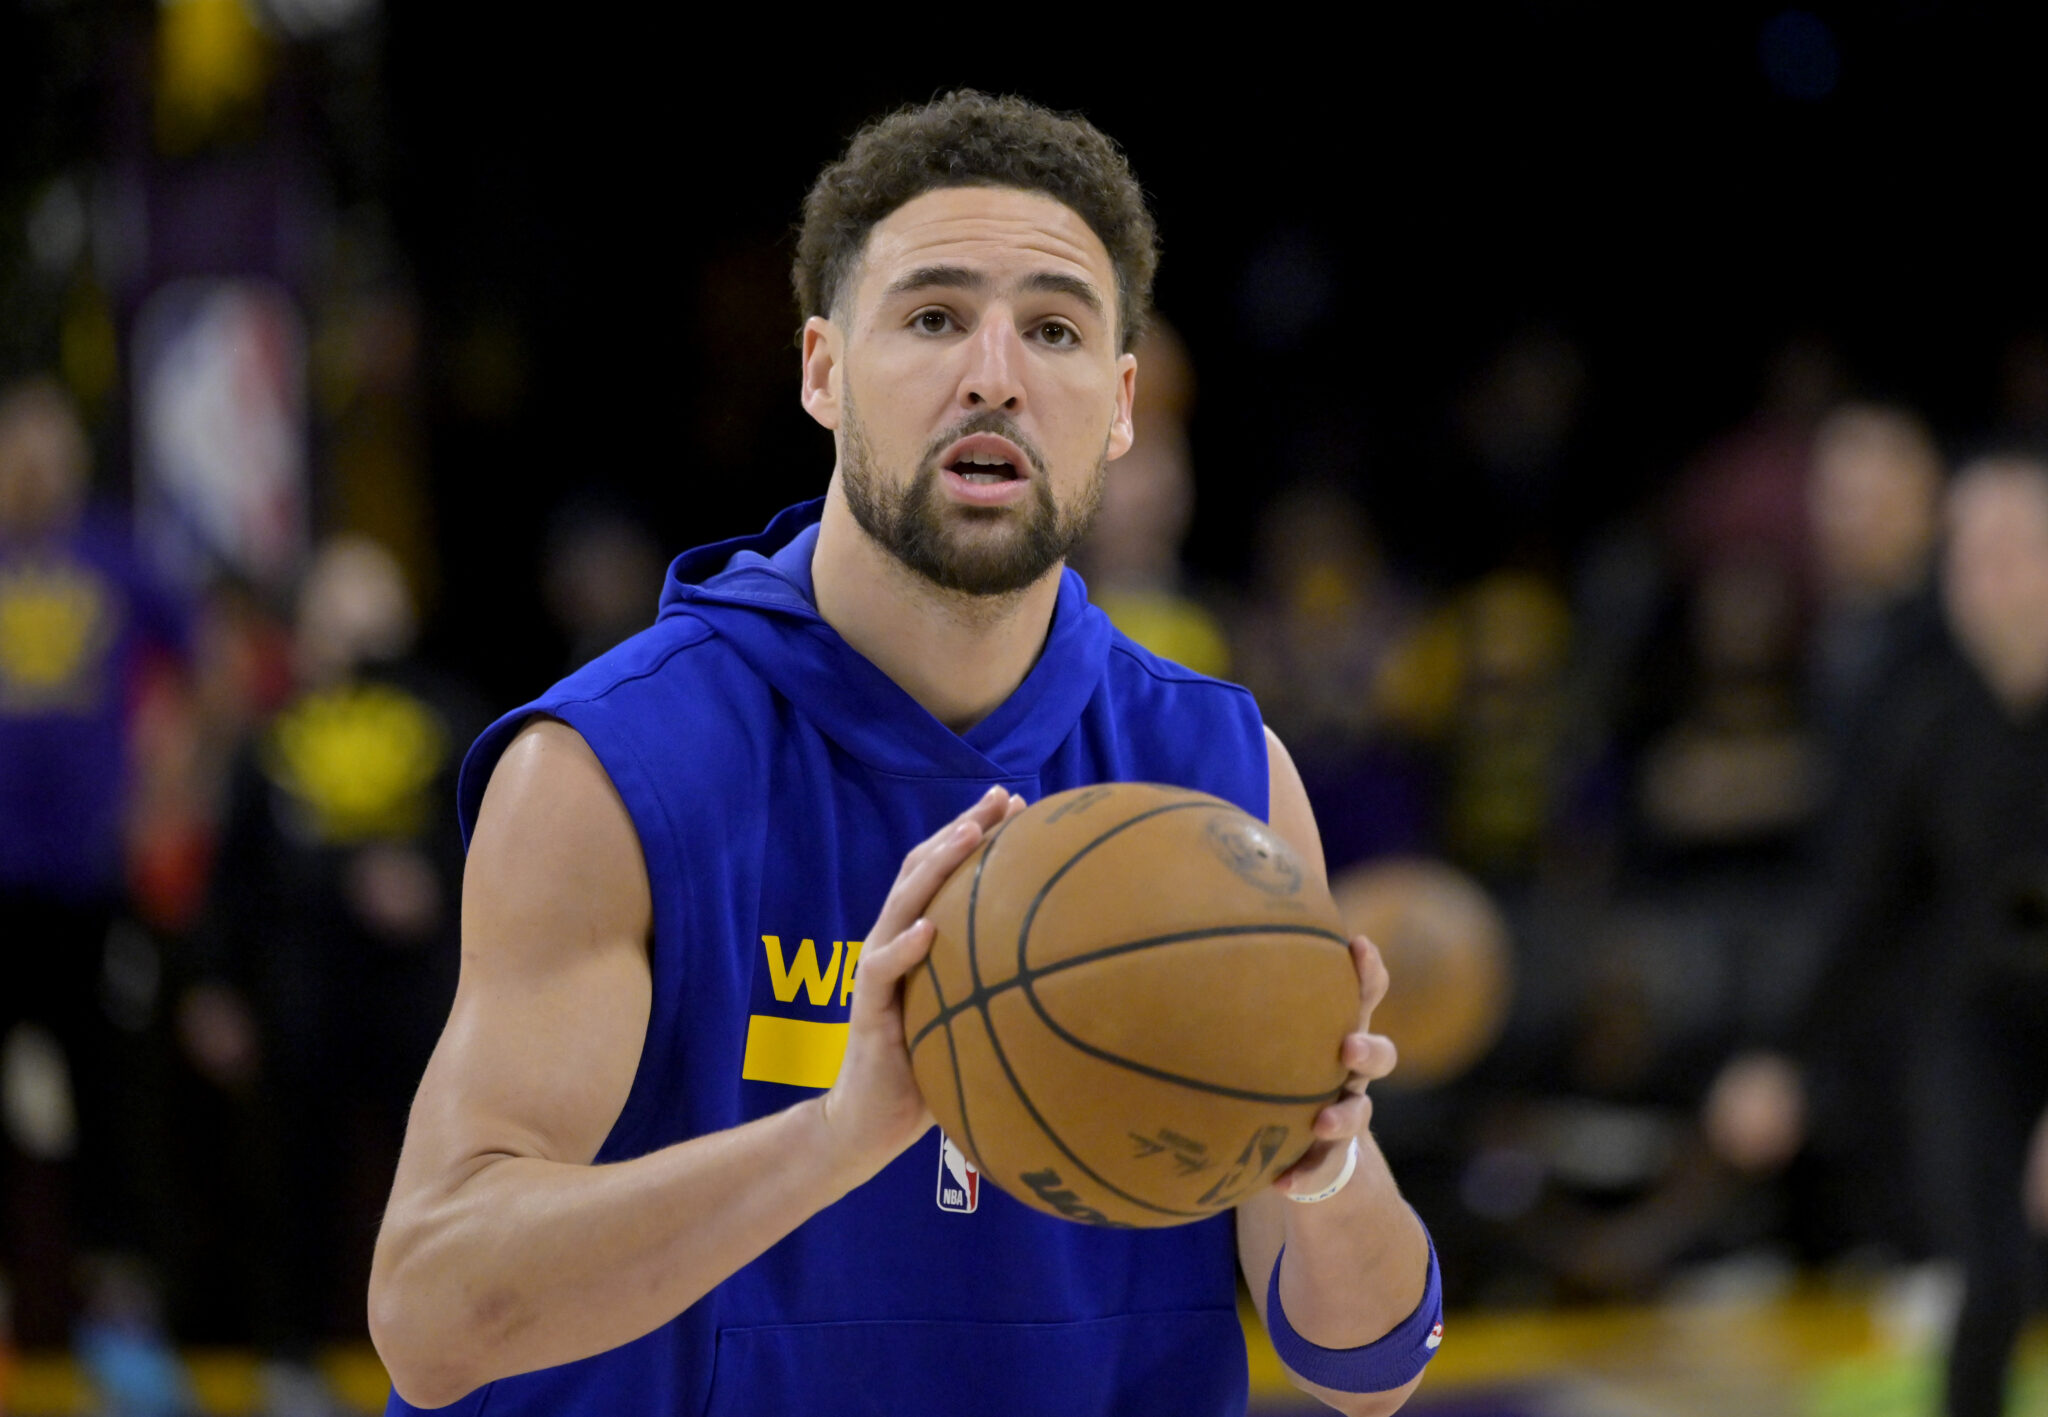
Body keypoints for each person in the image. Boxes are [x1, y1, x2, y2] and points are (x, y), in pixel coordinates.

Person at [368, 93, 1438, 1417]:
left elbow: (1369, 1372)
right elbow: (430, 1316)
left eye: (1054, 330)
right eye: (933, 318)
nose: (994, 374)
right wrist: (838, 1134)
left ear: (1119, 406)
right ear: (821, 371)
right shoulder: (615, 768)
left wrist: (1325, 1162)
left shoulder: (1220, 777)